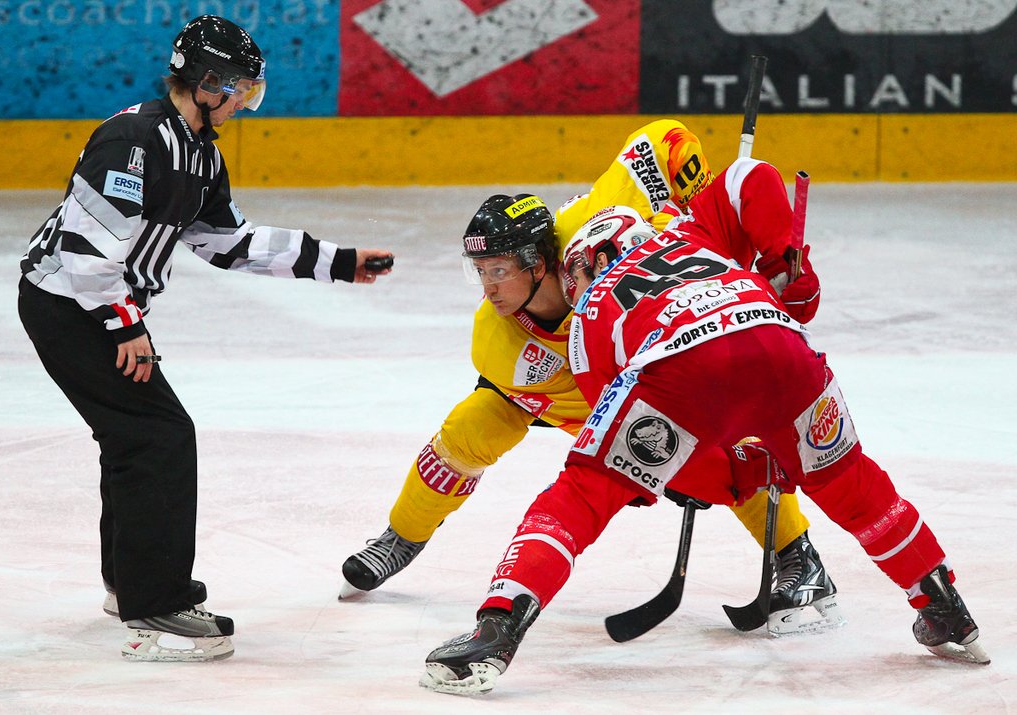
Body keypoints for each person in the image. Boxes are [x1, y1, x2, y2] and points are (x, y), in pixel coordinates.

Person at [419, 201, 989, 696]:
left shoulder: (591, 308)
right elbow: (749, 178)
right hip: (786, 347)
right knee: (852, 483)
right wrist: (782, 258)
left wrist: (702, 478)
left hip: (680, 369)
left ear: (594, 258)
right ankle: (943, 604)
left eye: (576, 273)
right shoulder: (696, 240)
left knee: (583, 493)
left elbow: (624, 436)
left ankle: (497, 629)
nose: (574, 288)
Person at [341, 119, 838, 636]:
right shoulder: (499, 342)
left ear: (539, 263)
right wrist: (660, 464)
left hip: (660, 341)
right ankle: (402, 535)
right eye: (479, 271)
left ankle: (799, 557)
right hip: (568, 385)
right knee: (472, 427)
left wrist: (699, 208)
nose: (487, 287)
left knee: (730, 440)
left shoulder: (596, 221)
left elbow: (664, 137)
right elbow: (599, 416)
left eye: (498, 270)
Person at [16, 14, 393, 662]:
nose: (245, 101)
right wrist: (125, 326)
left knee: (135, 436)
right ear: (207, 82)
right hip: (68, 304)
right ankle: (155, 603)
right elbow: (83, 256)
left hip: (92, 305)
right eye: (241, 88)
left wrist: (337, 260)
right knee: (159, 435)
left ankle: (130, 581)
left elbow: (229, 244)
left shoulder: (199, 152)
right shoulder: (132, 140)